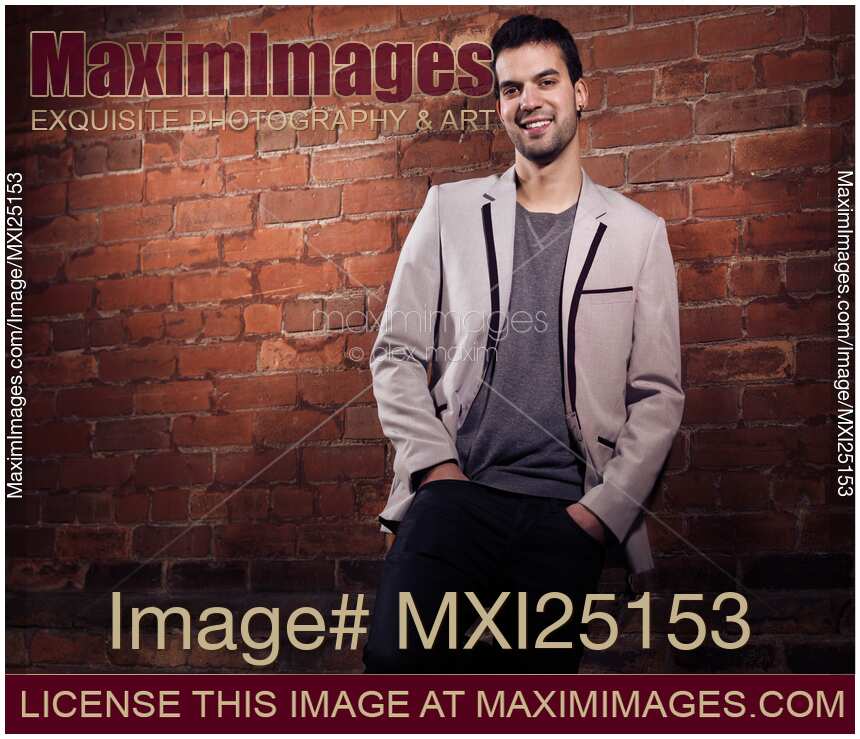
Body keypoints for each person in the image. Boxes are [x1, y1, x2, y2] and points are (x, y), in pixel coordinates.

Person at [363, 14, 684, 673]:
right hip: (455, 497)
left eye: (546, 80)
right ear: (501, 105)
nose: (529, 100)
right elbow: (396, 352)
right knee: (395, 672)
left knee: (527, 702)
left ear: (581, 92)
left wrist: (599, 515)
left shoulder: (638, 232)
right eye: (511, 89)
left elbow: (657, 395)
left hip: (563, 515)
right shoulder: (448, 209)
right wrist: (434, 471)